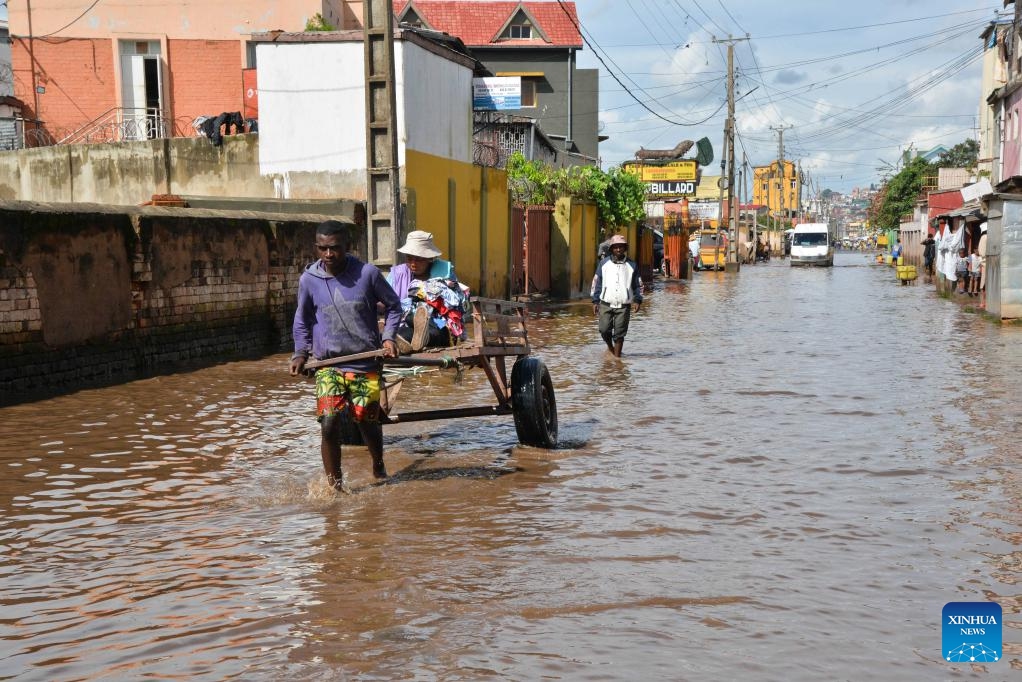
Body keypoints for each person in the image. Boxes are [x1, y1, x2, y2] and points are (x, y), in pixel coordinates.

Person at [289, 220, 403, 490]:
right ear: (317, 248)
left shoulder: (367, 274)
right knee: (328, 423)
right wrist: (300, 353)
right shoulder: (309, 280)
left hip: (365, 361)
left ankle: (377, 463)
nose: (329, 255)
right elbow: (302, 320)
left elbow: (394, 306)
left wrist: (388, 338)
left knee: (366, 419)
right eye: (323, 249)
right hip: (329, 364)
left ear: (346, 247)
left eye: (335, 248)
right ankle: (335, 488)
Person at [387, 231, 467, 353]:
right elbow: (383, 300)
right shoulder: (397, 275)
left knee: (436, 331)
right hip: (408, 324)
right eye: (409, 258)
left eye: (419, 259)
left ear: (430, 258)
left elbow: (457, 304)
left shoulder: (445, 274)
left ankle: (423, 337)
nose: (413, 264)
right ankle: (403, 340)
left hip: (439, 325)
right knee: (403, 331)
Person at [591, 234, 642, 357]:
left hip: (624, 305)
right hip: (605, 303)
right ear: (611, 249)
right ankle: (611, 348)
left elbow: (638, 285)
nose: (618, 249)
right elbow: (597, 282)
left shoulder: (632, 265)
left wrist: (637, 300)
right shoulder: (603, 264)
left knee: (620, 334)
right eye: (616, 247)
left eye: (621, 247)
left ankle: (617, 360)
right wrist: (595, 301)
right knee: (604, 330)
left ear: (625, 248)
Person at [977, 222, 988, 309]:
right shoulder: (986, 237)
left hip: (984, 263)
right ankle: (984, 303)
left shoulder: (983, 237)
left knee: (983, 285)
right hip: (985, 263)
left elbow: (981, 252)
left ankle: (983, 303)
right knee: (984, 285)